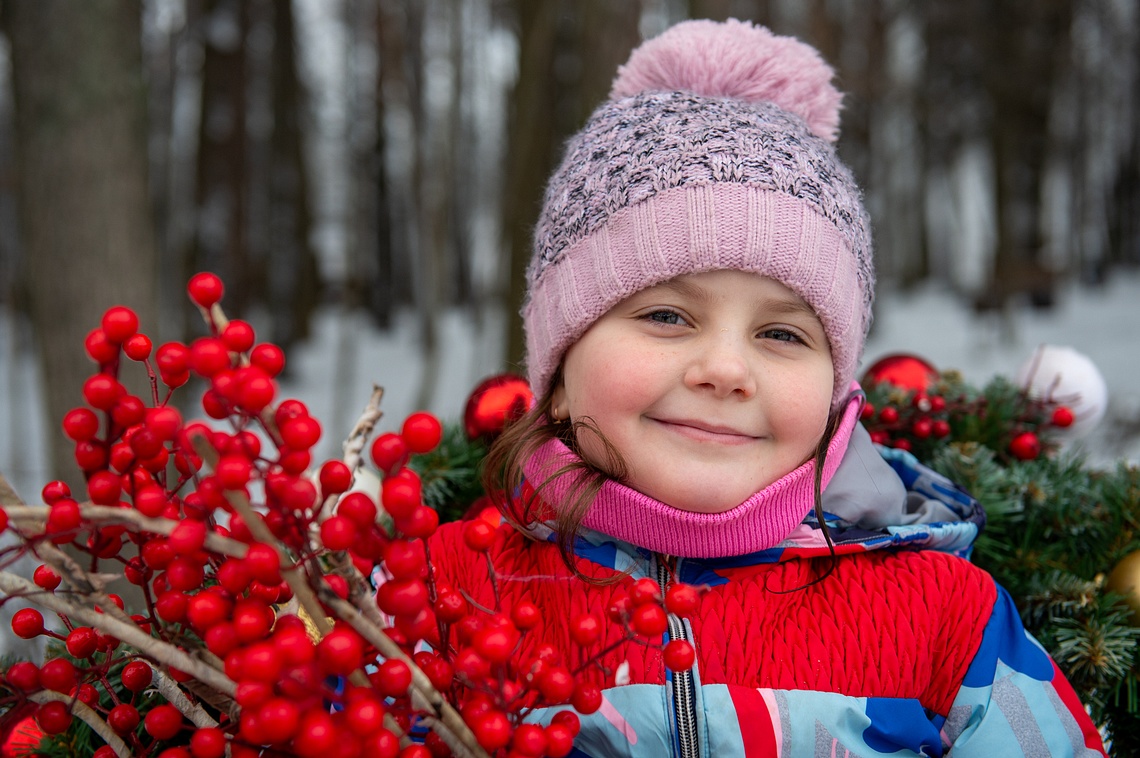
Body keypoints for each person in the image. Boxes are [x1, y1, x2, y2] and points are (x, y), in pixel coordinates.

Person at [428, 18, 1107, 756]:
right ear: (558, 375)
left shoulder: (945, 617)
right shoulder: (445, 594)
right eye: (665, 315)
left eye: (781, 334)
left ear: (835, 392)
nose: (725, 370)